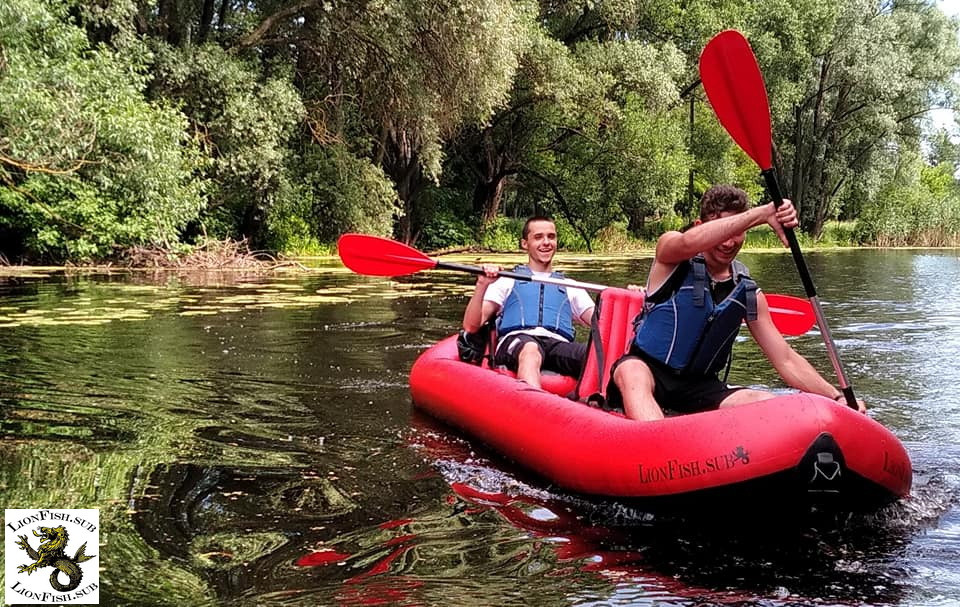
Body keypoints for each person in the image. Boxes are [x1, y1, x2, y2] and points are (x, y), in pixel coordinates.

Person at [609, 184, 865, 421]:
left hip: (702, 388)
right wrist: (764, 212)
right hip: (647, 370)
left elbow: (785, 359)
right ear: (700, 225)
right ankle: (660, 449)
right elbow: (688, 241)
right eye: (726, 229)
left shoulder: (748, 293)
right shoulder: (671, 255)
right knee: (632, 373)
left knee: (765, 401)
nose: (730, 242)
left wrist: (836, 397)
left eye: (738, 232)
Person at [461, 216, 595, 388]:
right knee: (531, 349)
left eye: (551, 237)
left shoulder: (570, 286)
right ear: (525, 244)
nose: (546, 242)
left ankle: (599, 403)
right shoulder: (506, 280)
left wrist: (633, 298)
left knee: (593, 355)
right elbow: (471, 326)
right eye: (538, 237)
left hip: (556, 345)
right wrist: (482, 284)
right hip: (518, 342)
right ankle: (536, 405)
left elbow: (602, 323)